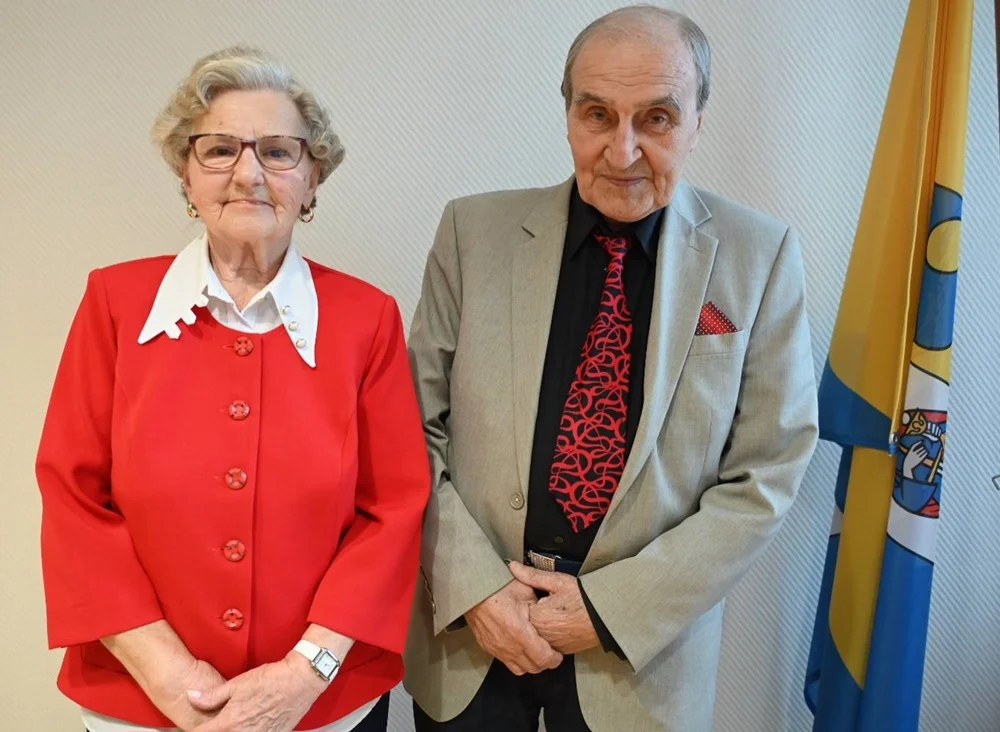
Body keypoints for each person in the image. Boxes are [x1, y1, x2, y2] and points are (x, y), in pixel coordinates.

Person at [403, 6, 819, 731]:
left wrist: (605, 610)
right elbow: (409, 428)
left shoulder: (761, 256)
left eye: (656, 118)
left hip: (638, 665)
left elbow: (769, 470)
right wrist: (474, 589)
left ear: (697, 121)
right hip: (474, 638)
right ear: (567, 113)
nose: (622, 151)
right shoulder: (472, 232)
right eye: (597, 114)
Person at [35, 45, 430, 732]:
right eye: (220, 150)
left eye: (278, 152)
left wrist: (303, 674)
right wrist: (169, 674)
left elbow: (392, 510)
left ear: (312, 177)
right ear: (185, 175)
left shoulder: (368, 318)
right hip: (141, 702)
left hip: (322, 706)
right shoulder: (114, 303)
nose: (249, 174)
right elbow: (73, 498)